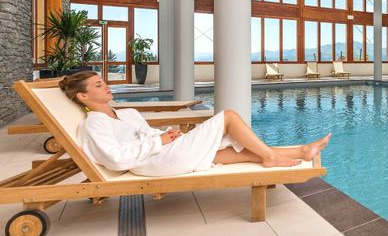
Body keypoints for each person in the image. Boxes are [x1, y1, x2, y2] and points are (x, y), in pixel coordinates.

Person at [59, 71, 331, 177]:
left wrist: (166, 134)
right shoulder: (94, 124)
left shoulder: (127, 113)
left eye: (104, 82)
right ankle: (271, 157)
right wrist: (159, 141)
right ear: (83, 96)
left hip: (164, 151)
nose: (106, 86)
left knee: (230, 152)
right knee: (228, 117)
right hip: (154, 163)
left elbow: (149, 134)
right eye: (98, 85)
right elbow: (114, 159)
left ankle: (302, 151)